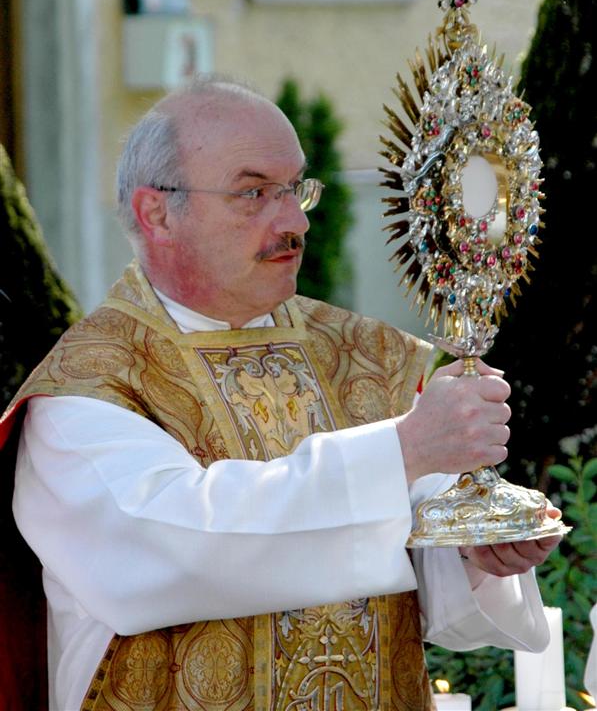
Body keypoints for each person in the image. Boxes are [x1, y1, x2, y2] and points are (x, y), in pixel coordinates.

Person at [0, 76, 562, 711]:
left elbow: (413, 573)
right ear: (156, 213)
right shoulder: (87, 386)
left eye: (295, 188)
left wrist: (473, 551)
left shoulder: (362, 355)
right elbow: (175, 554)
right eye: (254, 193)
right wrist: (400, 452)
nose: (295, 220)